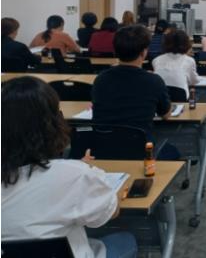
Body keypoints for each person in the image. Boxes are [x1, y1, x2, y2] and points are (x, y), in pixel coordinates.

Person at [1, 76, 137, 258]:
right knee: (126, 240)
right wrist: (85, 172)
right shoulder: (75, 175)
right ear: (53, 123)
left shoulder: (72, 173)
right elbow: (110, 212)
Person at [91, 26, 176, 159]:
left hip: (103, 149)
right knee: (173, 151)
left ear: (116, 51)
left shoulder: (101, 79)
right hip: (141, 150)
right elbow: (166, 114)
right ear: (144, 52)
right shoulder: (153, 81)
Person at [152, 29, 205, 98]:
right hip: (181, 99)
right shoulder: (189, 60)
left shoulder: (156, 60)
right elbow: (194, 81)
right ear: (186, 44)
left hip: (160, 99)